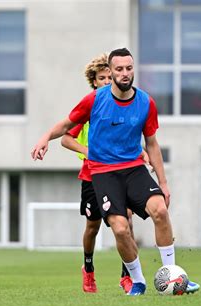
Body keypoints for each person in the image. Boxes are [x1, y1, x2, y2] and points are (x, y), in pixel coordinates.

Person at [32, 48, 200, 296]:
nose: (124, 73)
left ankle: (173, 275)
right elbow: (67, 126)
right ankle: (138, 281)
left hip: (134, 168)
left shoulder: (145, 102)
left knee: (161, 211)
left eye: (128, 68)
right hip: (103, 173)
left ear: (134, 70)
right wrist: (45, 138)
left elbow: (152, 143)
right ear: (110, 72)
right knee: (120, 228)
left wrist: (163, 183)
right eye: (119, 69)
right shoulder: (95, 100)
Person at [60, 53, 135, 293]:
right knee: (93, 227)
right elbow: (65, 138)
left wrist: (142, 153)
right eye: (101, 78)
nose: (106, 81)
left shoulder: (123, 104)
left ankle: (128, 276)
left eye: (108, 77)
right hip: (92, 176)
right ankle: (88, 270)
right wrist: (88, 150)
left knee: (126, 223)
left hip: (119, 173)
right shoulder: (90, 107)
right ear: (94, 82)